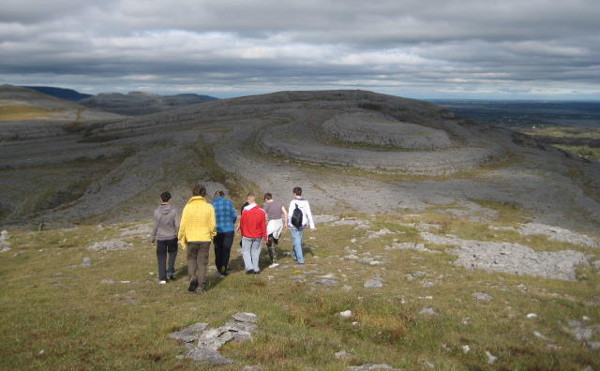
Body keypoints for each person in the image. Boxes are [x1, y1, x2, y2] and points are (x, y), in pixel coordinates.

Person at [178, 184, 216, 295]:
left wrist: (181, 237)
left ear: (193, 193)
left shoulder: (187, 207)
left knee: (191, 260)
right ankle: (201, 287)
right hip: (205, 238)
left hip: (191, 238)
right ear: (203, 194)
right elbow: (212, 225)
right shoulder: (209, 207)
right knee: (202, 263)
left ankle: (192, 278)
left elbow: (183, 224)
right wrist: (212, 234)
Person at [151, 191, 179, 284]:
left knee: (161, 257)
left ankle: (162, 278)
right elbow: (177, 225)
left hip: (161, 238)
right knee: (172, 255)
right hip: (172, 237)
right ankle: (170, 273)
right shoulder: (173, 211)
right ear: (170, 199)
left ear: (161, 199)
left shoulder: (156, 211)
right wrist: (177, 234)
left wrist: (152, 238)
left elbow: (155, 226)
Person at [239, 193, 267, 274]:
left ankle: (249, 267)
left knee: (246, 251)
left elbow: (242, 223)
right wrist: (265, 236)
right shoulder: (262, 211)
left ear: (248, 200)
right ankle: (256, 269)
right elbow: (263, 225)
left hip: (247, 235)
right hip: (258, 235)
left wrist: (242, 233)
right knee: (255, 252)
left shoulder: (245, 211)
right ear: (255, 200)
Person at [211, 190, 237, 276]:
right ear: (223, 196)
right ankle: (224, 268)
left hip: (217, 230)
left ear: (215, 196)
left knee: (218, 249)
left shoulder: (212, 204)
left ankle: (218, 268)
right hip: (229, 230)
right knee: (226, 250)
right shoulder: (229, 203)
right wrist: (230, 223)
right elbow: (234, 216)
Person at [287, 187, 315, 264]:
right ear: (301, 193)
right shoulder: (306, 202)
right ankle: (295, 255)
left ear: (294, 194)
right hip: (302, 224)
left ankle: (300, 260)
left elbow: (290, 214)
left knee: (297, 241)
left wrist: (288, 223)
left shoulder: (293, 202)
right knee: (298, 240)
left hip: (294, 224)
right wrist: (312, 225)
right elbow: (309, 213)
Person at [263, 193, 288, 267]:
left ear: (266, 199)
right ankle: (274, 259)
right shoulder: (279, 203)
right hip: (279, 223)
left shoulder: (267, 205)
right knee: (275, 241)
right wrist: (286, 223)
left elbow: (264, 215)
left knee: (269, 243)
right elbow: (286, 213)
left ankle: (273, 261)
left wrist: (265, 223)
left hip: (272, 224)